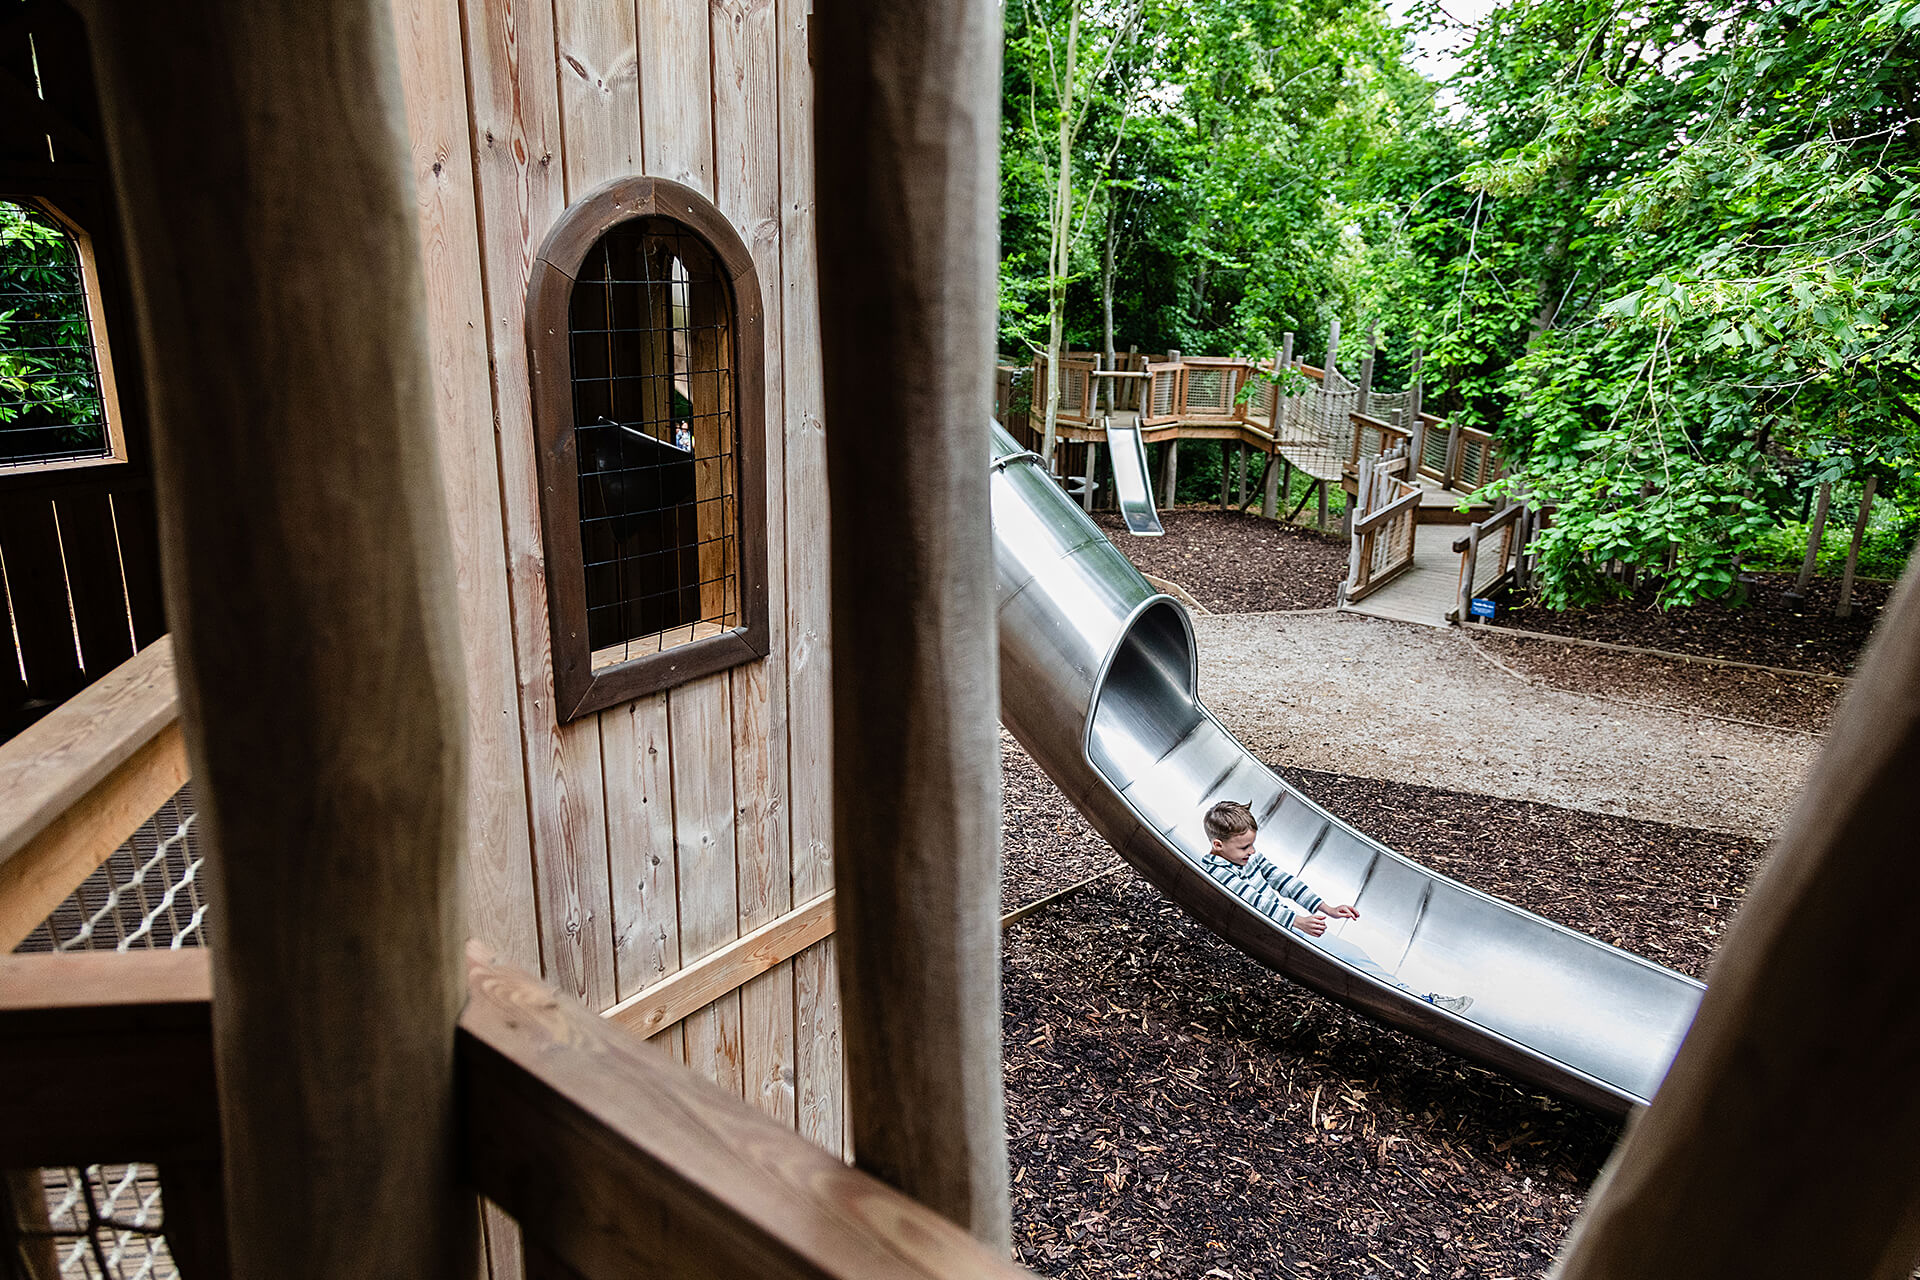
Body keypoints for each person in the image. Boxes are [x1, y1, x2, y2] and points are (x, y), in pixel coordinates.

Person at [1200, 800, 1472, 1015]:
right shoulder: (1217, 871)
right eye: (1244, 847)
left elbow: (1284, 882)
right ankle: (1422, 1004)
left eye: (1252, 845)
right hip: (1271, 932)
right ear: (1218, 845)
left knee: (1354, 957)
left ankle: (1413, 999)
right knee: (1351, 959)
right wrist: (1296, 921)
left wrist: (1325, 908)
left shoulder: (1247, 858)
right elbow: (1252, 902)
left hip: (1282, 924)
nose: (1251, 851)